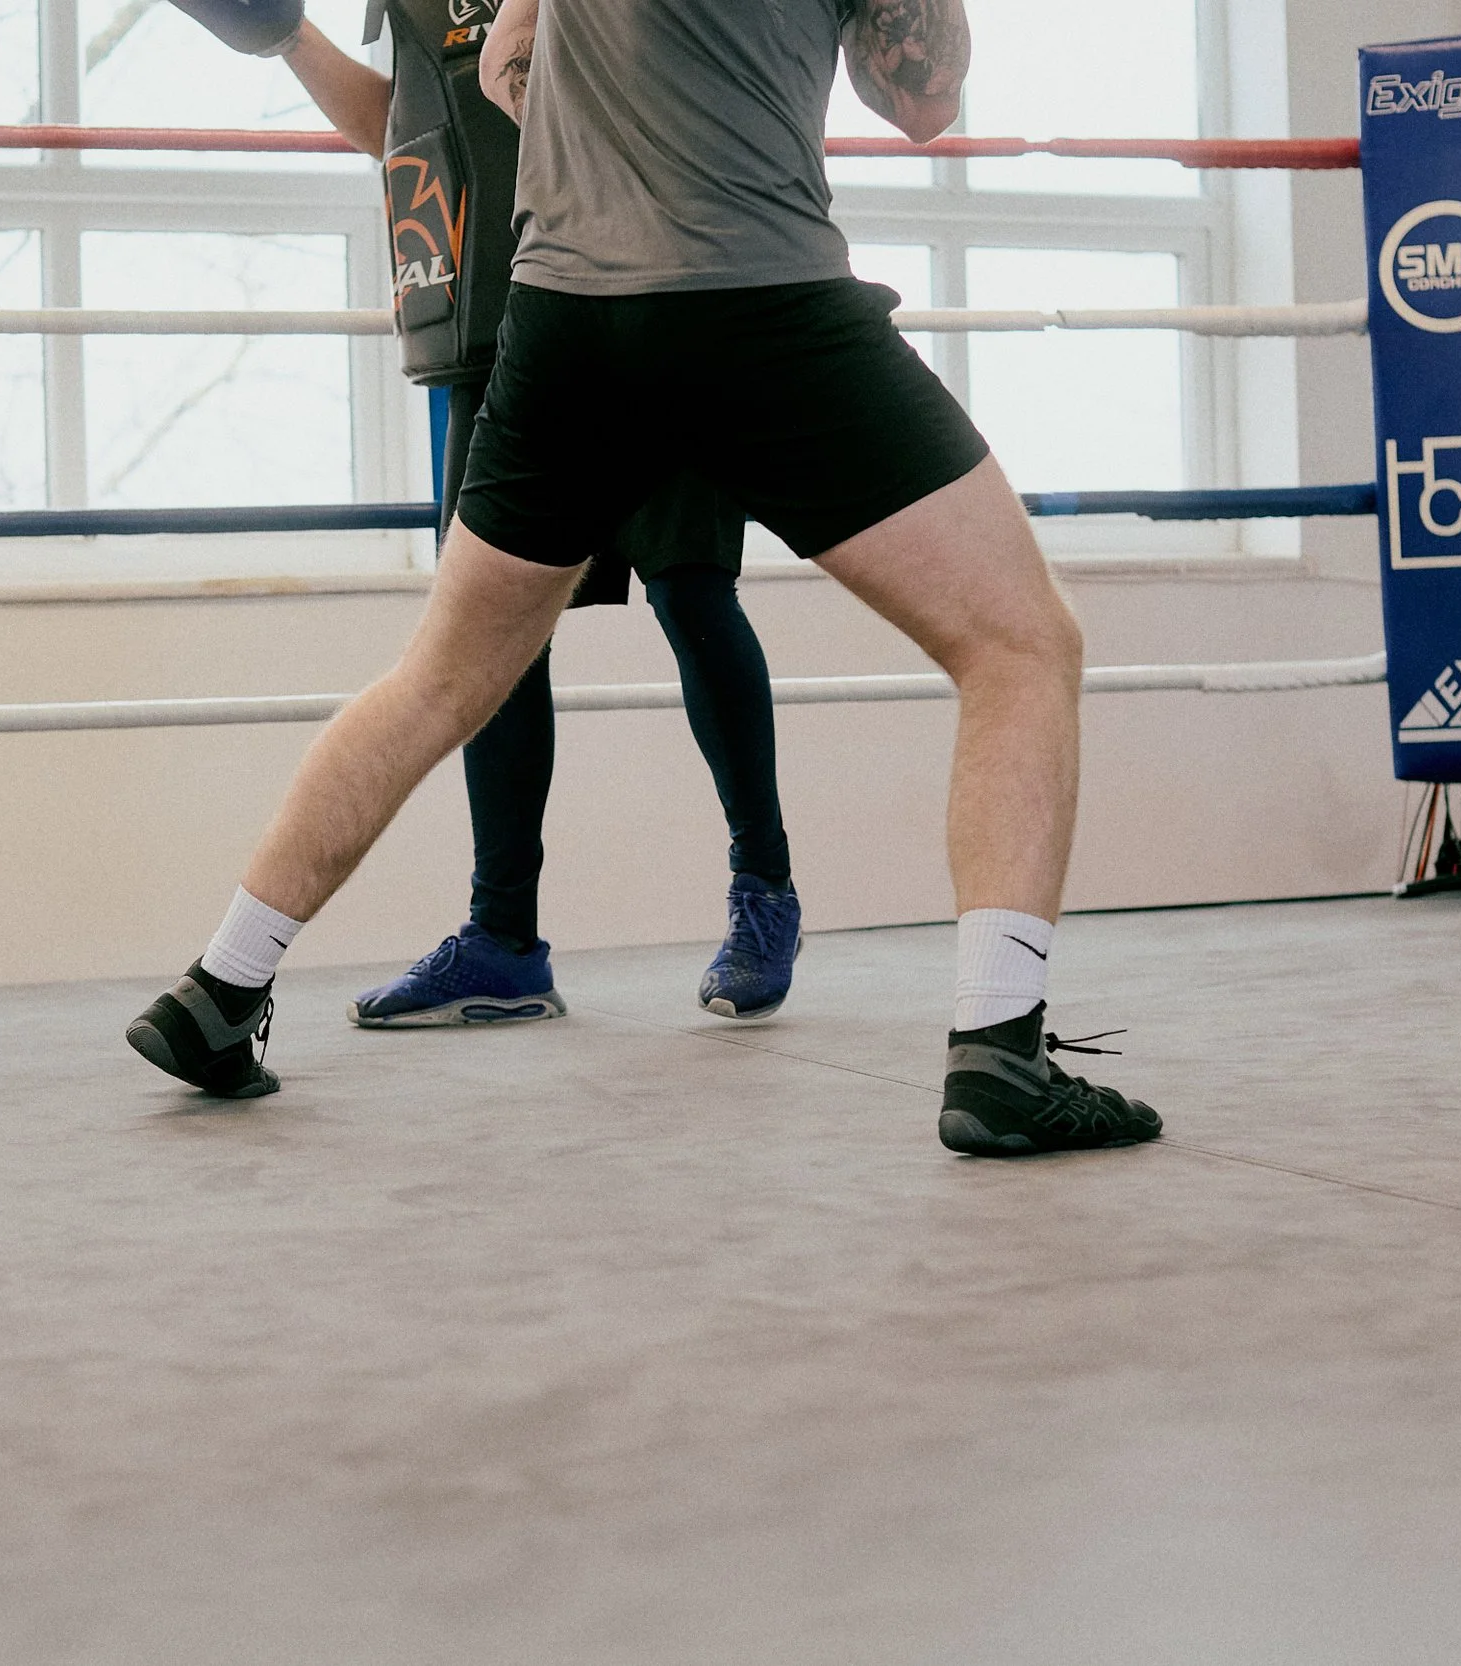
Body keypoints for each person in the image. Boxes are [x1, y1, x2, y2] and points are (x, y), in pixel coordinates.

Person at [129, 0, 1164, 1158]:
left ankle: (221, 986)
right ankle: (997, 1051)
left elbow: (508, 72)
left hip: (568, 320)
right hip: (757, 298)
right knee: (1020, 644)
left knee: (439, 679)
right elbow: (921, 103)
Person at [166, 0, 803, 1032]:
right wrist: (285, 35)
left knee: (690, 590)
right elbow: (398, 125)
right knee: (490, 640)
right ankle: (503, 938)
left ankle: (763, 893)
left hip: (647, 285)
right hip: (492, 323)